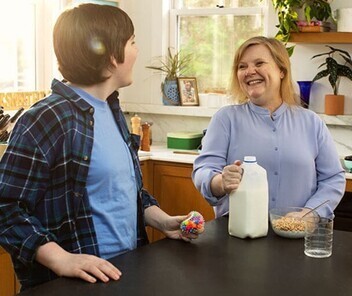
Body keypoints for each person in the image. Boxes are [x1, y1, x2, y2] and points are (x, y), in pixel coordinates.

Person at [0, 4, 202, 291]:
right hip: (72, 285)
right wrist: (61, 259)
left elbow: (122, 190)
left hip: (124, 273)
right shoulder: (47, 118)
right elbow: (6, 207)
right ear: (110, 58)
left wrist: (163, 221)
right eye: (131, 42)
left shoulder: (111, 109)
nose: (137, 50)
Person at [192, 36, 346, 219]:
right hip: (237, 237)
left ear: (281, 70)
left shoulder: (311, 122)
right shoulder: (225, 119)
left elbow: (333, 179)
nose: (250, 71)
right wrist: (220, 182)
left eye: (259, 63)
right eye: (242, 66)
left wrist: (309, 215)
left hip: (296, 236)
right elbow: (203, 171)